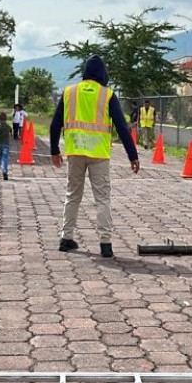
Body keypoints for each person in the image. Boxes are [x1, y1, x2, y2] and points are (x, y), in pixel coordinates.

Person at [50, 55, 139, 258]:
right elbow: (123, 128)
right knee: (102, 199)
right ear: (103, 74)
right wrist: (132, 156)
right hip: (99, 154)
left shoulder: (69, 92)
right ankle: (105, 244)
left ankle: (66, 238)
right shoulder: (107, 95)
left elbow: (55, 124)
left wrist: (54, 150)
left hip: (75, 152)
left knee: (72, 195)